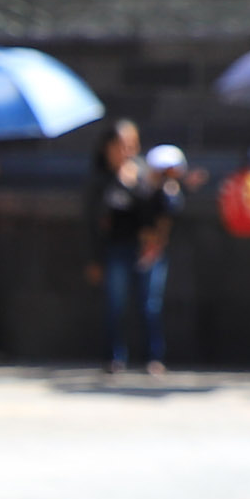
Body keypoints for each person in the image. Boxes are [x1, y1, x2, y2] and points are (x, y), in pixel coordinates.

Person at [90, 122, 181, 375]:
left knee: (149, 304)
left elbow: (161, 207)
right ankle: (114, 356)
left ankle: (153, 356)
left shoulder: (145, 174)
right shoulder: (102, 179)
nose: (126, 151)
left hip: (146, 248)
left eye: (131, 145)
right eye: (121, 145)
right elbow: (96, 217)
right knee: (115, 304)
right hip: (116, 247)